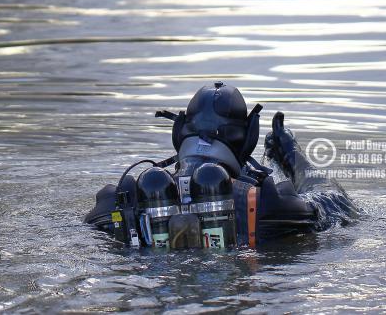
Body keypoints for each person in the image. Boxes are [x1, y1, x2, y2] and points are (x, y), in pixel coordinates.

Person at [85, 82, 357, 248]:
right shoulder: (268, 203)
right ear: (249, 138)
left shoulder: (125, 201)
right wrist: (289, 152)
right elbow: (336, 201)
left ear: (178, 134)